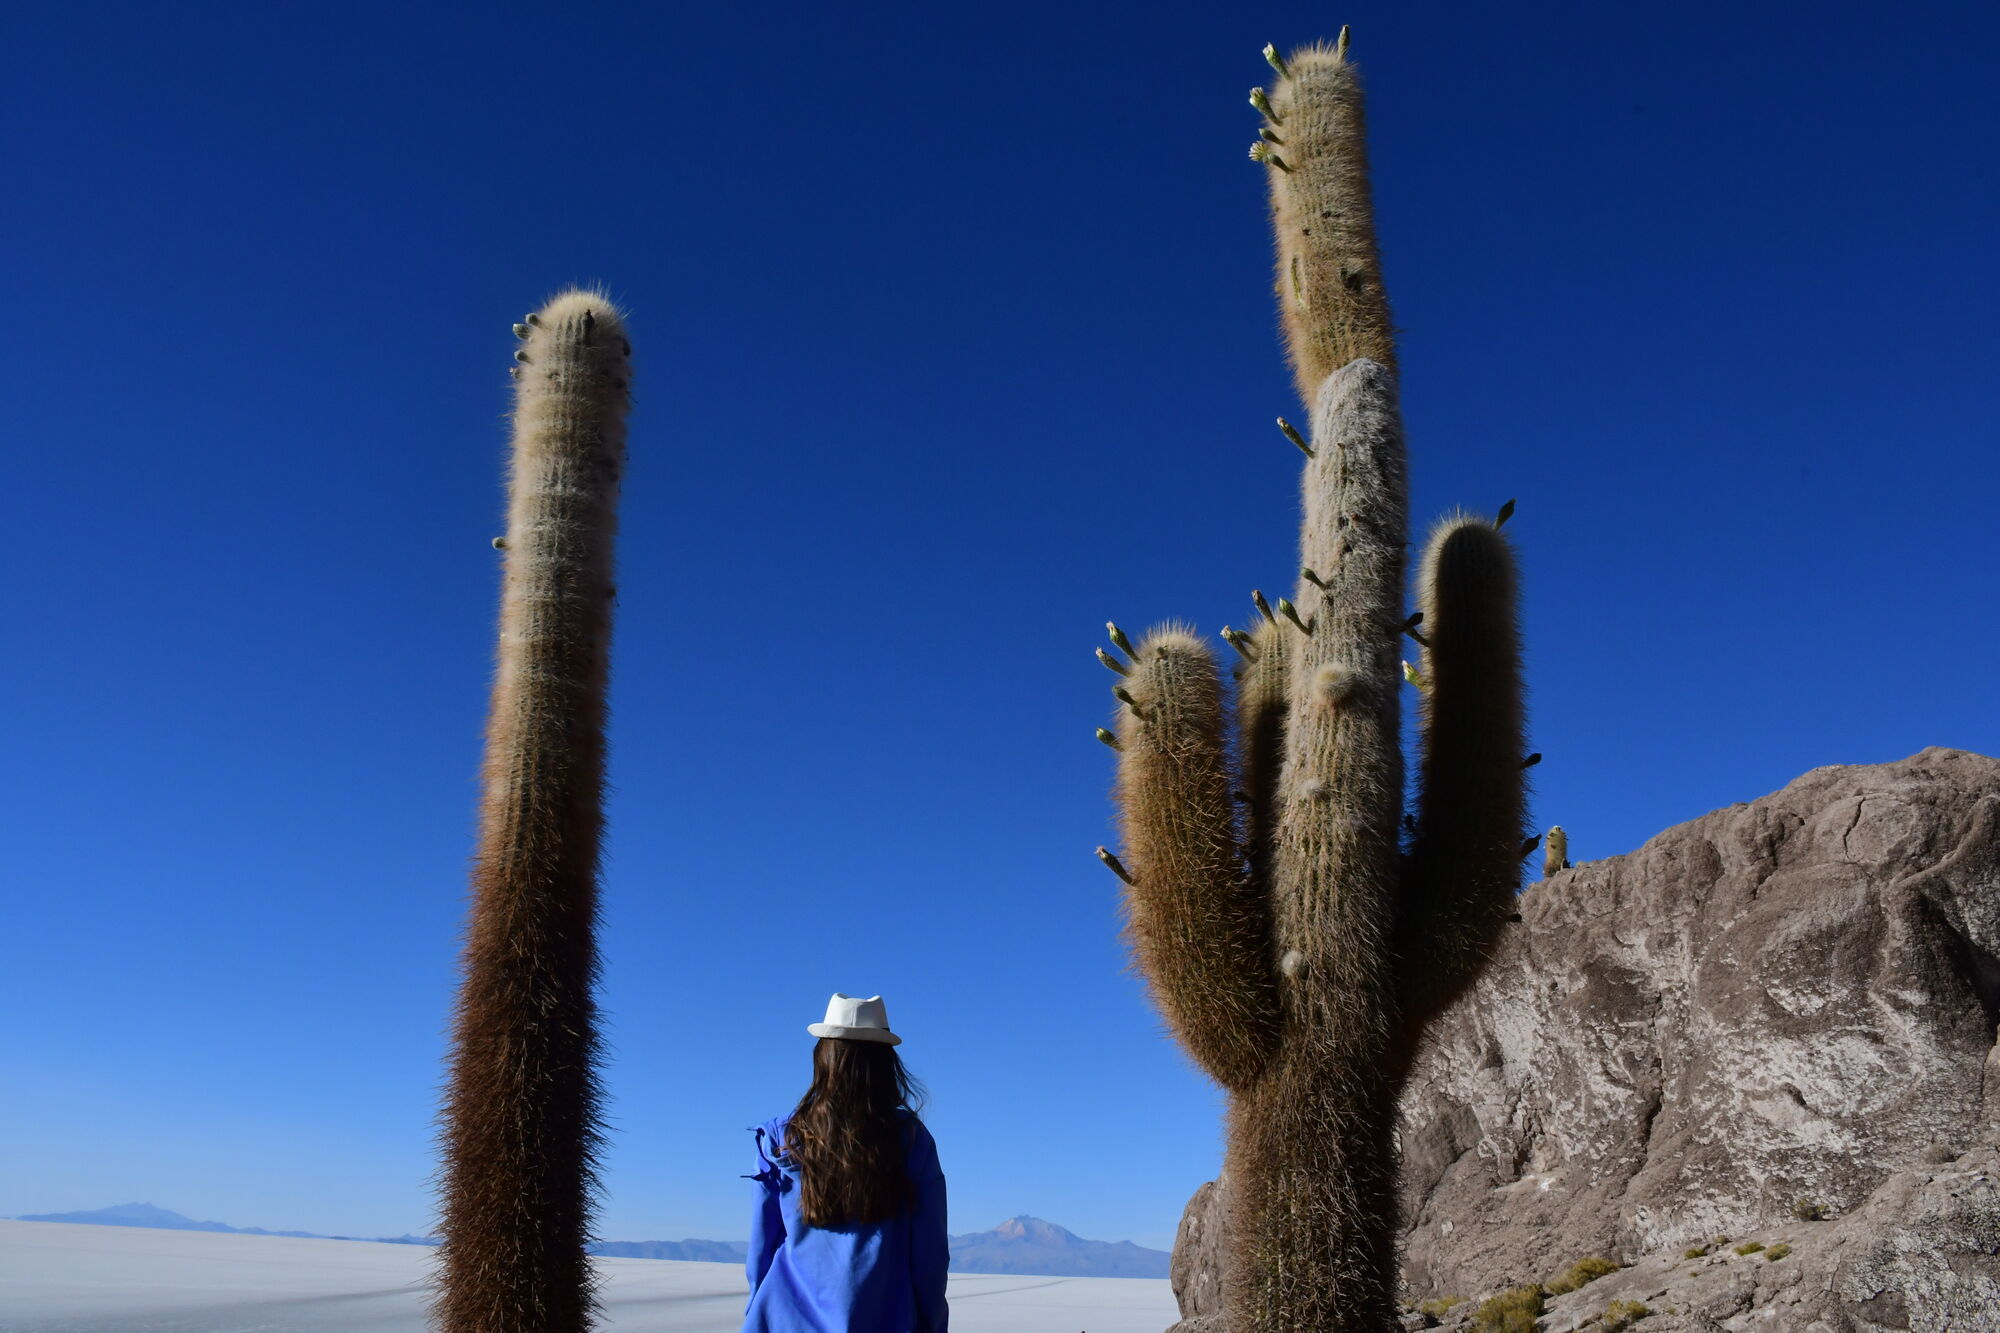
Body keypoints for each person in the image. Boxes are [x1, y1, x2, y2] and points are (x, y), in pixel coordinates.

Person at [743, 993, 949, 1333]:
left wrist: (754, 1314)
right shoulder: (911, 1140)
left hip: (781, 1320)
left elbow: (761, 1250)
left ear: (822, 1058)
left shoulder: (782, 1138)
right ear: (886, 1065)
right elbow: (929, 1257)